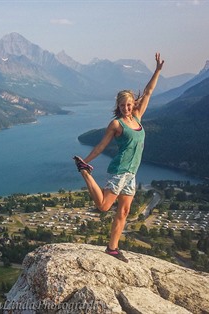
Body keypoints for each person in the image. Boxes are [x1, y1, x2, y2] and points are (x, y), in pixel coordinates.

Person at [73, 53, 164, 263]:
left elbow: (149, 92)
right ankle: (85, 173)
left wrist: (157, 70)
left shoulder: (138, 117)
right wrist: (86, 161)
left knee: (124, 211)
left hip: (131, 173)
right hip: (119, 169)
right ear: (119, 106)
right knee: (104, 207)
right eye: (123, 105)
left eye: (129, 104)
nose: (126, 108)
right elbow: (101, 146)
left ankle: (112, 248)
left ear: (133, 104)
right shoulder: (116, 124)